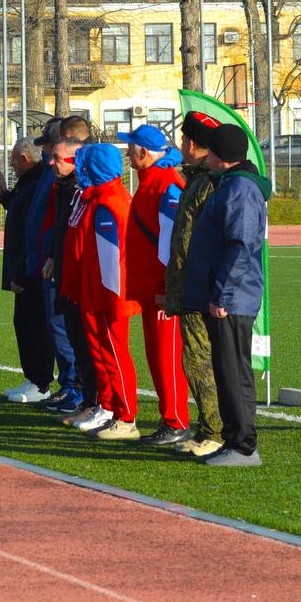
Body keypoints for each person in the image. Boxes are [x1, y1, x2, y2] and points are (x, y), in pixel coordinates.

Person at [183, 123, 270, 467]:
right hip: (224, 295)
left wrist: (223, 293)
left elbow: (240, 244)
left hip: (232, 297)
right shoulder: (230, 185)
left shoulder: (240, 189)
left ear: (219, 155)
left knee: (233, 371)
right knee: (225, 369)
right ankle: (235, 439)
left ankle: (244, 445)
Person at [61, 143, 141, 440]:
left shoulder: (112, 201)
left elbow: (116, 255)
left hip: (108, 294)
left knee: (114, 353)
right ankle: (107, 405)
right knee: (99, 351)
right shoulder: (95, 198)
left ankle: (125, 414)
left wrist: (110, 297)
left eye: (85, 165)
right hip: (92, 289)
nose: (80, 170)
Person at [117, 124, 190, 447]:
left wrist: (166, 286)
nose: (129, 153)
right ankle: (169, 418)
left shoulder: (166, 185)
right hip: (151, 288)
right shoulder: (153, 182)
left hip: (163, 290)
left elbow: (173, 241)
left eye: (131, 148)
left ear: (144, 152)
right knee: (156, 355)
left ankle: (176, 421)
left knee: (167, 356)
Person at [163, 112, 226, 458]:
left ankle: (215, 431)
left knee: (202, 361)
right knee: (195, 359)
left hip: (202, 288)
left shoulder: (211, 182)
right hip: (191, 286)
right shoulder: (198, 180)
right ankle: (208, 426)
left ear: (190, 143)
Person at [43, 132, 96, 418]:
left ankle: (84, 395)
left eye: (56, 158)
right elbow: (62, 228)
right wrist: (53, 255)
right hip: (65, 272)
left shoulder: (84, 193)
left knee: (82, 341)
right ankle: (81, 394)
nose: (51, 162)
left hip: (82, 281)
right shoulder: (66, 189)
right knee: (68, 333)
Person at [0, 138, 53, 402]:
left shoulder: (37, 182)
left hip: (31, 270)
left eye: (13, 159)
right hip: (24, 267)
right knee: (23, 324)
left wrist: (20, 272)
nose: (11, 164)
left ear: (25, 159)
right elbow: (20, 215)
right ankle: (32, 378)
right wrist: (5, 195)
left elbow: (31, 231)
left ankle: (41, 384)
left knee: (36, 326)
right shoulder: (29, 182)